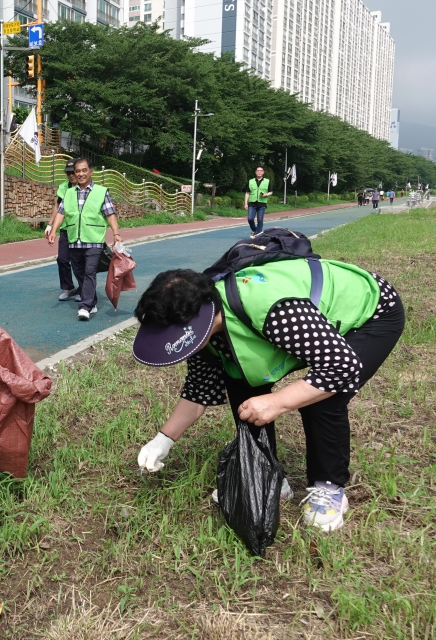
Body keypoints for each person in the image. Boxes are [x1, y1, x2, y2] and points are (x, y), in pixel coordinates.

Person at [131, 258, 404, 533]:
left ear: (197, 321)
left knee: (322, 398)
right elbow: (198, 392)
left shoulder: (273, 310)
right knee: (239, 379)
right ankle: (268, 477)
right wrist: (162, 441)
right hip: (310, 333)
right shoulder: (204, 336)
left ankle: (329, 488)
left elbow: (341, 367)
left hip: (371, 313)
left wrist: (277, 402)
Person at [45, 157, 123, 321]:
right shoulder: (69, 192)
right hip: (74, 239)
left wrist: (116, 233)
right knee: (79, 271)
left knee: (89, 271)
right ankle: (91, 299)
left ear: (91, 171)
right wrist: (53, 229)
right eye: (77, 171)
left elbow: (110, 213)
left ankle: (85, 306)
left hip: (94, 240)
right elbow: (61, 213)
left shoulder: (101, 191)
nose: (80, 174)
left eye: (83, 170)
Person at [47, 159, 80, 301]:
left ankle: (84, 289)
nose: (71, 175)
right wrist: (50, 225)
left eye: (73, 172)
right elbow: (57, 207)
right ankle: (68, 287)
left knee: (79, 262)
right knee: (62, 259)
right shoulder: (63, 187)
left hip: (80, 230)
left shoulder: (85, 187)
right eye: (68, 173)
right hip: (66, 229)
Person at [243, 166, 273, 237]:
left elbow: (271, 192)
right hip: (252, 203)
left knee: (260, 220)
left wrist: (265, 195)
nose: (259, 172)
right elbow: (247, 193)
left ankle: (257, 234)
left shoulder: (267, 181)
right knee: (250, 219)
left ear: (263, 172)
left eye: (261, 171)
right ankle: (255, 230)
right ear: (255, 172)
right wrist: (245, 203)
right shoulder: (251, 181)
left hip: (262, 203)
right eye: (258, 171)